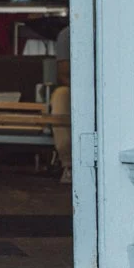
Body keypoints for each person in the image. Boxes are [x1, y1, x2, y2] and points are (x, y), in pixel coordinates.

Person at [51, 26, 72, 184]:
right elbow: (63, 75)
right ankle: (69, 164)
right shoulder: (67, 34)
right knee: (61, 95)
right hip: (79, 89)